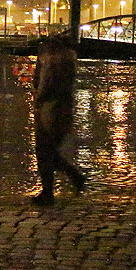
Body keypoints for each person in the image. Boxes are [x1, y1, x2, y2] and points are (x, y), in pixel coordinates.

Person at [31, 33, 87, 206]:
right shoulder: (68, 60)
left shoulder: (50, 60)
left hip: (50, 109)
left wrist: (38, 100)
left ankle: (50, 191)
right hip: (64, 108)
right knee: (49, 151)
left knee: (44, 151)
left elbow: (44, 83)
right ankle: (74, 177)